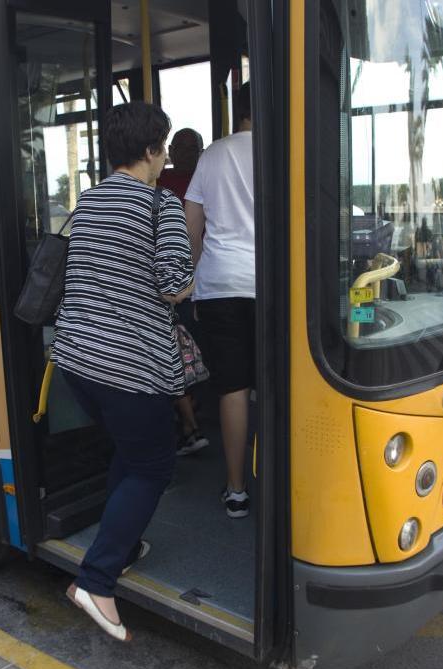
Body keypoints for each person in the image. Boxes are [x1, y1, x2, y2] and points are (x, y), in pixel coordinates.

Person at [52, 101, 194, 641]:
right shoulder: (161, 208)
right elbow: (175, 286)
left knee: (129, 456)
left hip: (76, 361)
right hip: (130, 367)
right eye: (162, 149)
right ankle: (95, 580)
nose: (163, 160)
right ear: (153, 151)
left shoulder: (86, 202)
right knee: (154, 467)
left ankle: (123, 543)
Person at [184, 82, 255, 519]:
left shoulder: (212, 155)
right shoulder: (285, 149)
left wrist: (194, 276)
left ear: (238, 110)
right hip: (273, 286)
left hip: (220, 285)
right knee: (277, 386)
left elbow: (192, 224)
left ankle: (236, 490)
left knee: (233, 388)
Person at [156, 128, 208, 456]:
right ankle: (190, 424)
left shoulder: (206, 179)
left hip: (199, 281)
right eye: (181, 146)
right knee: (178, 354)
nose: (188, 152)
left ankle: (190, 424)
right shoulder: (158, 186)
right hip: (175, 285)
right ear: (170, 150)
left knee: (189, 355)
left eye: (194, 146)